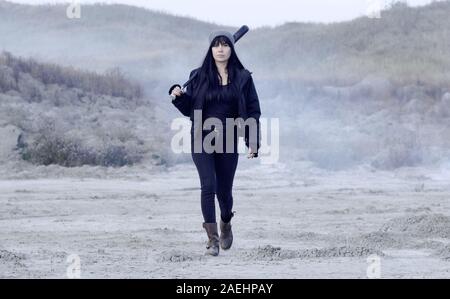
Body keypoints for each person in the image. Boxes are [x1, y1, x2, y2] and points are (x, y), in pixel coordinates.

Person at [170, 30, 262, 256]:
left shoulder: (243, 77)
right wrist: (179, 96)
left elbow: (253, 110)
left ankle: (226, 222)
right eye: (216, 45)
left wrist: (253, 141)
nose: (220, 49)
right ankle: (212, 238)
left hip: (229, 138)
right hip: (201, 136)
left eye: (225, 45)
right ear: (211, 49)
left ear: (232, 49)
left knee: (224, 193)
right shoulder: (198, 76)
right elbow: (189, 108)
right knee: (208, 186)